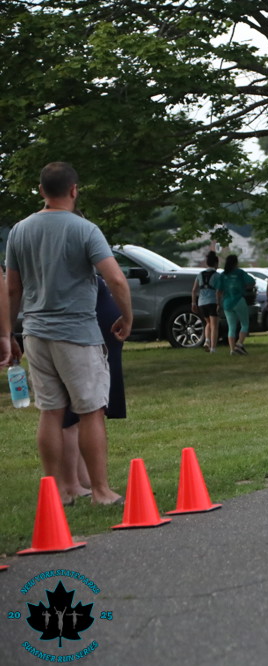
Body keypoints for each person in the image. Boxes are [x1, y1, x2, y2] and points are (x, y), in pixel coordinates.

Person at [5, 162, 131, 505]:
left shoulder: (19, 231)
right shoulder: (85, 229)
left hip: (35, 333)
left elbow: (12, 288)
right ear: (74, 190)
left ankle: (56, 490)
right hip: (77, 332)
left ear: (41, 190)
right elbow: (116, 279)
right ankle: (100, 490)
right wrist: (127, 317)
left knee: (50, 412)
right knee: (91, 411)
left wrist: (8, 333)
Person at [60, 275, 127, 504]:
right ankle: (71, 483)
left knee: (83, 411)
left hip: (95, 336)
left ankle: (83, 478)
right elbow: (116, 279)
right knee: (72, 412)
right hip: (78, 336)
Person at [216, 254, 255, 355]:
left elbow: (218, 291)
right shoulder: (239, 272)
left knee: (231, 326)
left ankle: (232, 350)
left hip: (227, 302)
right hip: (238, 300)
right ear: (236, 263)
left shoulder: (223, 275)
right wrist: (244, 287)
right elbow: (251, 281)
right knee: (245, 324)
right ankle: (240, 344)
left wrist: (218, 304)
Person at [191, 250, 220, 353]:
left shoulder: (200, 274)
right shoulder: (217, 275)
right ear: (216, 264)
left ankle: (207, 341)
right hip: (212, 302)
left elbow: (194, 290)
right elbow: (219, 291)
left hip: (201, 303)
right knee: (214, 325)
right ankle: (213, 348)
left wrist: (193, 303)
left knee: (208, 323)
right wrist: (219, 303)